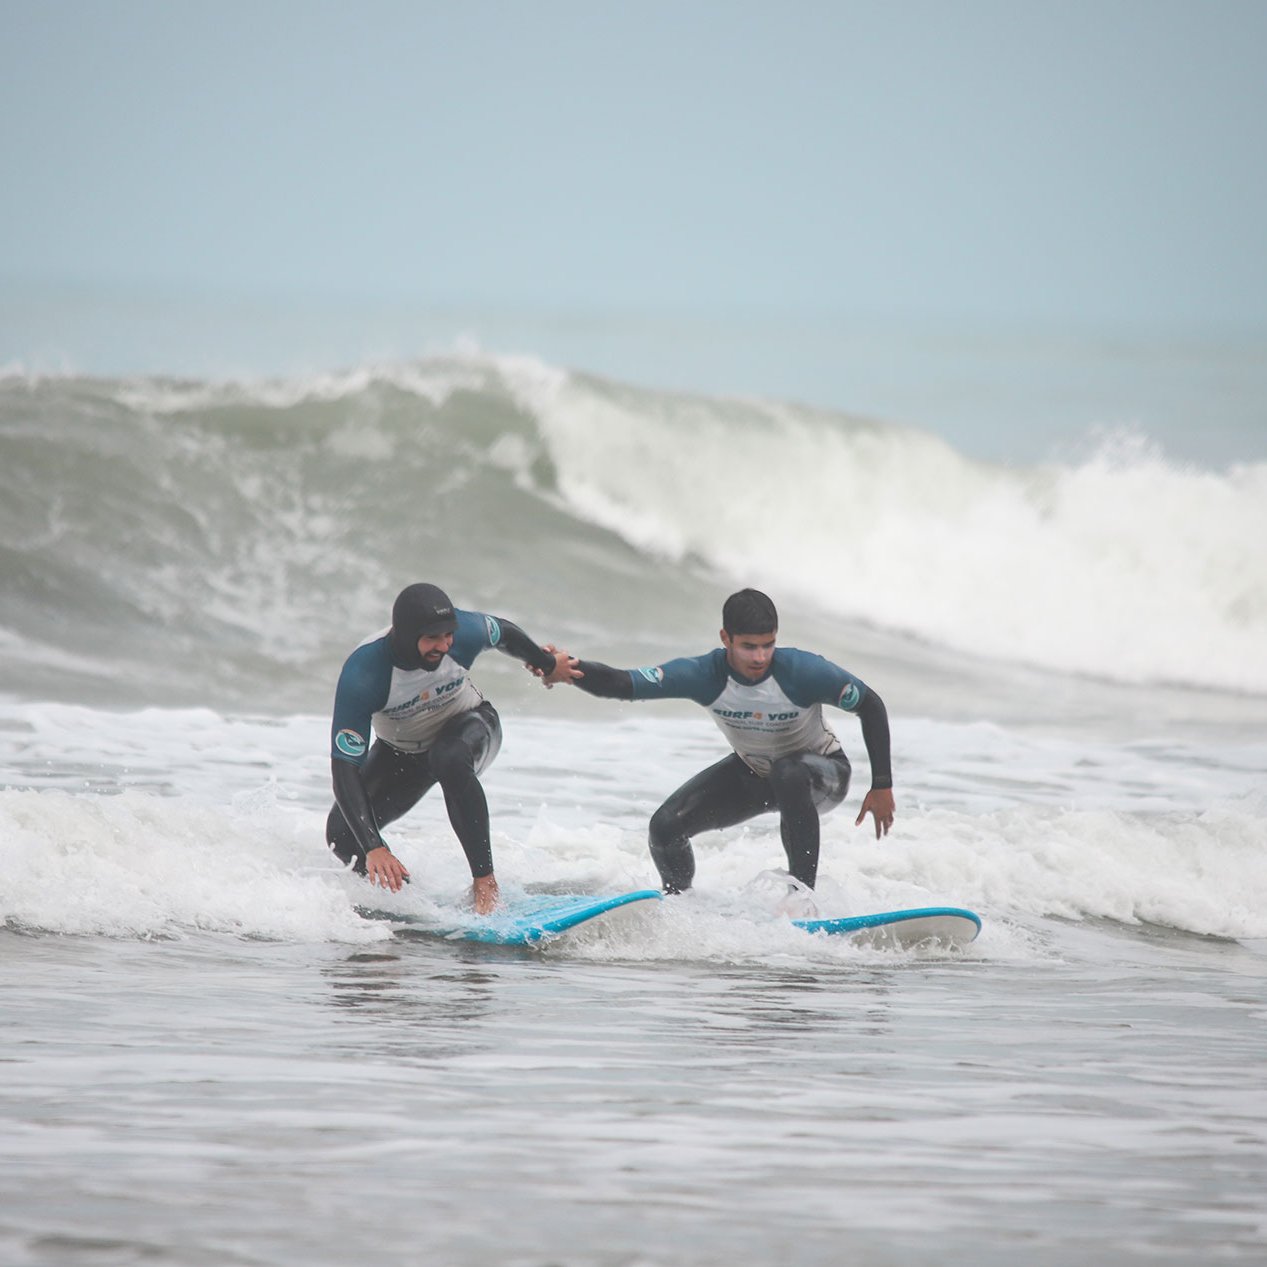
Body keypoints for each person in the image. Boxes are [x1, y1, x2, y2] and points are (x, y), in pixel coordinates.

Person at [550, 588, 894, 895]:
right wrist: (567, 669)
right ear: (725, 639)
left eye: (767, 645)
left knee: (788, 772)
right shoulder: (704, 675)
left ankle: (801, 898)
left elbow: (870, 704)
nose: (760, 657)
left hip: (822, 773)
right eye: (748, 647)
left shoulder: (804, 672)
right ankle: (679, 905)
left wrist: (881, 785)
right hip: (756, 773)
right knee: (666, 826)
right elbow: (622, 684)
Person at [327, 582, 575, 913]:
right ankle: (417, 907)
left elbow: (505, 634)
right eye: (432, 638)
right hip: (404, 753)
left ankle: (485, 884)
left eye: (448, 635)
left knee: (449, 756)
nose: (444, 646)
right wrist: (374, 847)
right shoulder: (365, 673)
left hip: (471, 726)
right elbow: (345, 768)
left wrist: (546, 664)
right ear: (405, 635)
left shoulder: (466, 633)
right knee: (343, 836)